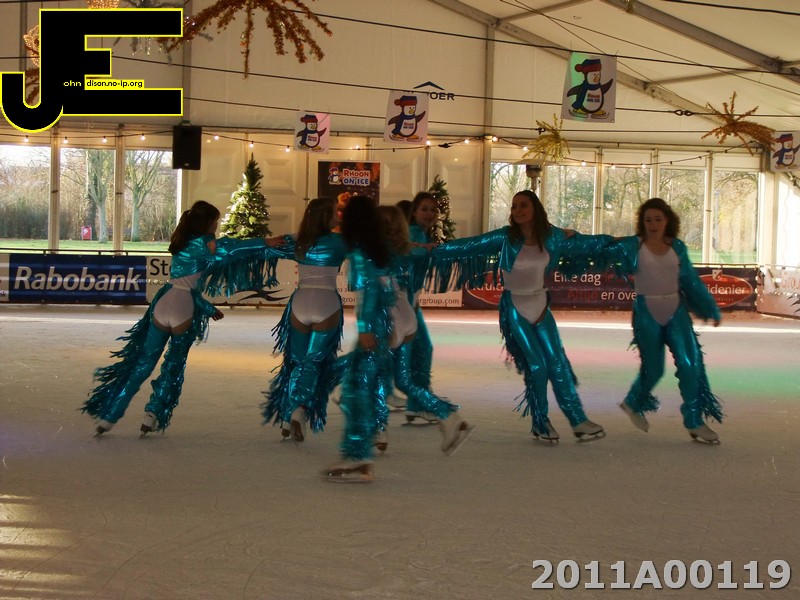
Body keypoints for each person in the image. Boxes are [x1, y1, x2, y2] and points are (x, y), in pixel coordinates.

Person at [84, 200, 284, 436]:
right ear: (207, 223)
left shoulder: (181, 242)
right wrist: (265, 242)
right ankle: (152, 414)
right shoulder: (205, 243)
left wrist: (208, 308)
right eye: (216, 221)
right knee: (173, 366)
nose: (217, 226)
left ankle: (109, 416)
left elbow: (182, 285)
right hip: (183, 308)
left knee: (142, 364)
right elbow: (231, 247)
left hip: (163, 303)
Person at [431, 190, 606, 444]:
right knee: (538, 366)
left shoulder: (552, 236)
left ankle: (578, 420)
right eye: (514, 207)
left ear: (535, 208)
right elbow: (470, 245)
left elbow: (587, 244)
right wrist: (436, 249)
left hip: (540, 305)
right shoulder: (506, 237)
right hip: (515, 306)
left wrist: (619, 242)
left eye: (523, 205)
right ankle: (540, 422)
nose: (518, 210)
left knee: (558, 364)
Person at [604, 197, 723, 443]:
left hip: (676, 311)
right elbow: (601, 245)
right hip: (646, 312)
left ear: (667, 221)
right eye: (648, 220)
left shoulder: (677, 247)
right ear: (643, 222)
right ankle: (633, 401)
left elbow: (690, 279)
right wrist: (572, 238)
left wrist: (709, 307)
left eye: (658, 219)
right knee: (654, 369)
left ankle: (694, 421)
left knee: (691, 364)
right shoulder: (633, 246)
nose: (653, 224)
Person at [378, 204, 473, 453]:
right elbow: (426, 253)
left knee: (366, 370)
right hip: (407, 313)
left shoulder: (373, 251)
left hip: (388, 315)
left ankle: (376, 429)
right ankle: (449, 417)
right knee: (403, 380)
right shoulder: (406, 249)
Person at [261, 197, 347, 442]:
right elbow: (375, 251)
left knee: (297, 362)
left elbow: (264, 249)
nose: (338, 216)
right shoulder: (342, 241)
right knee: (314, 362)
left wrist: (261, 242)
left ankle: (288, 416)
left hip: (300, 302)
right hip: (326, 302)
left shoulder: (296, 240)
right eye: (335, 212)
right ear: (326, 216)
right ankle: (299, 408)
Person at [325, 196, 395, 482]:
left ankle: (358, 457)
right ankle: (360, 454)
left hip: (373, 326)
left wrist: (366, 327)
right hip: (383, 323)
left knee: (355, 390)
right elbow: (387, 291)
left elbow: (371, 291)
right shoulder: (378, 248)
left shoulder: (360, 252)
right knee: (360, 387)